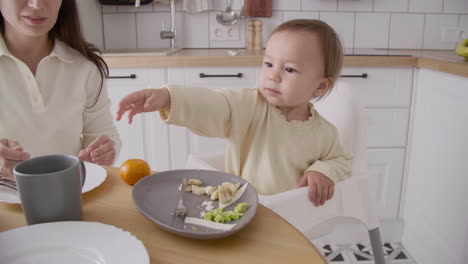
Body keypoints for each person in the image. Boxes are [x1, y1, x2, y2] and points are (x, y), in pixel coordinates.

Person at [116, 19, 352, 206]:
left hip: (292, 218)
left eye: (289, 69)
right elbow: (215, 105)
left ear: (320, 86)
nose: (273, 75)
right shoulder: (250, 106)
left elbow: (340, 161)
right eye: (268, 64)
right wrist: (168, 98)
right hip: (244, 208)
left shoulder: (325, 133)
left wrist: (323, 170)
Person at [0, 0, 121, 177]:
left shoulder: (84, 68)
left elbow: (103, 135)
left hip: (67, 195)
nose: (36, 4)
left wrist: (105, 152)